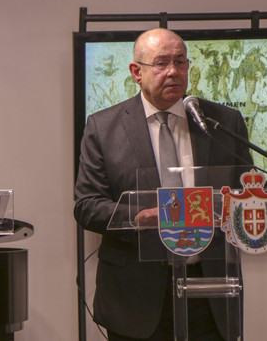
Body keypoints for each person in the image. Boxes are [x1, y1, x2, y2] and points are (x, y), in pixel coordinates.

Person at [74, 28, 253, 340]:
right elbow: (87, 206)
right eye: (161, 63)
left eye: (180, 62)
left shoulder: (222, 122)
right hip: (135, 295)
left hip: (208, 289)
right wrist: (136, 217)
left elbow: (244, 190)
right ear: (136, 72)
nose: (173, 72)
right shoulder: (103, 128)